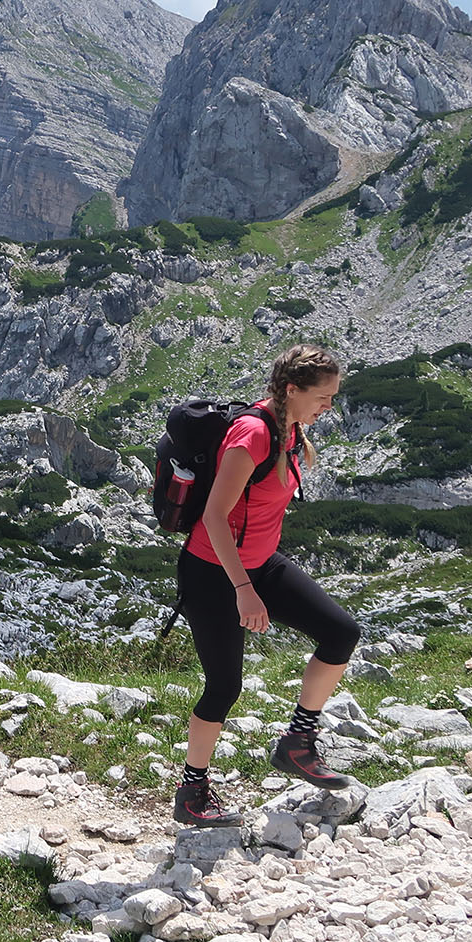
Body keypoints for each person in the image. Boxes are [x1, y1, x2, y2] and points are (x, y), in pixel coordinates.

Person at [172, 344, 360, 827]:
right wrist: (244, 589)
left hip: (261, 563)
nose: (329, 407)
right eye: (324, 396)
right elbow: (214, 517)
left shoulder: (291, 431)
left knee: (341, 632)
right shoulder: (252, 435)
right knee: (224, 685)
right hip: (213, 570)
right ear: (292, 389)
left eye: (333, 398)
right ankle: (192, 792)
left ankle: (298, 743)